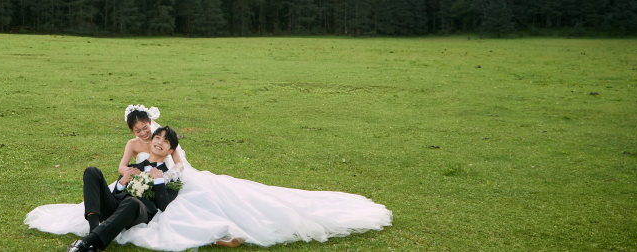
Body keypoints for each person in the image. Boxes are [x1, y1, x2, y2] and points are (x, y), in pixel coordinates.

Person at [25, 104, 393, 250]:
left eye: (152, 134)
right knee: (92, 173)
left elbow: (169, 194)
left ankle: (93, 244)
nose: (146, 137)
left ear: (168, 146)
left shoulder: (169, 161)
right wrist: (123, 177)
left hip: (144, 202)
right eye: (145, 134)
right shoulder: (135, 147)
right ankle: (93, 227)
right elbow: (120, 170)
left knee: (136, 206)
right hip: (122, 193)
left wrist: (155, 177)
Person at [67, 127, 182, 252]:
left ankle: (87, 242)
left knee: (132, 201)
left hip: (138, 214)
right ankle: (93, 231)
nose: (159, 142)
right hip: (116, 207)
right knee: (92, 172)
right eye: (157, 138)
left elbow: (165, 206)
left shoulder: (171, 177)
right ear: (151, 141)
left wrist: (159, 180)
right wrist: (122, 182)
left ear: (170, 150)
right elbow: (115, 194)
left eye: (165, 141)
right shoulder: (132, 167)